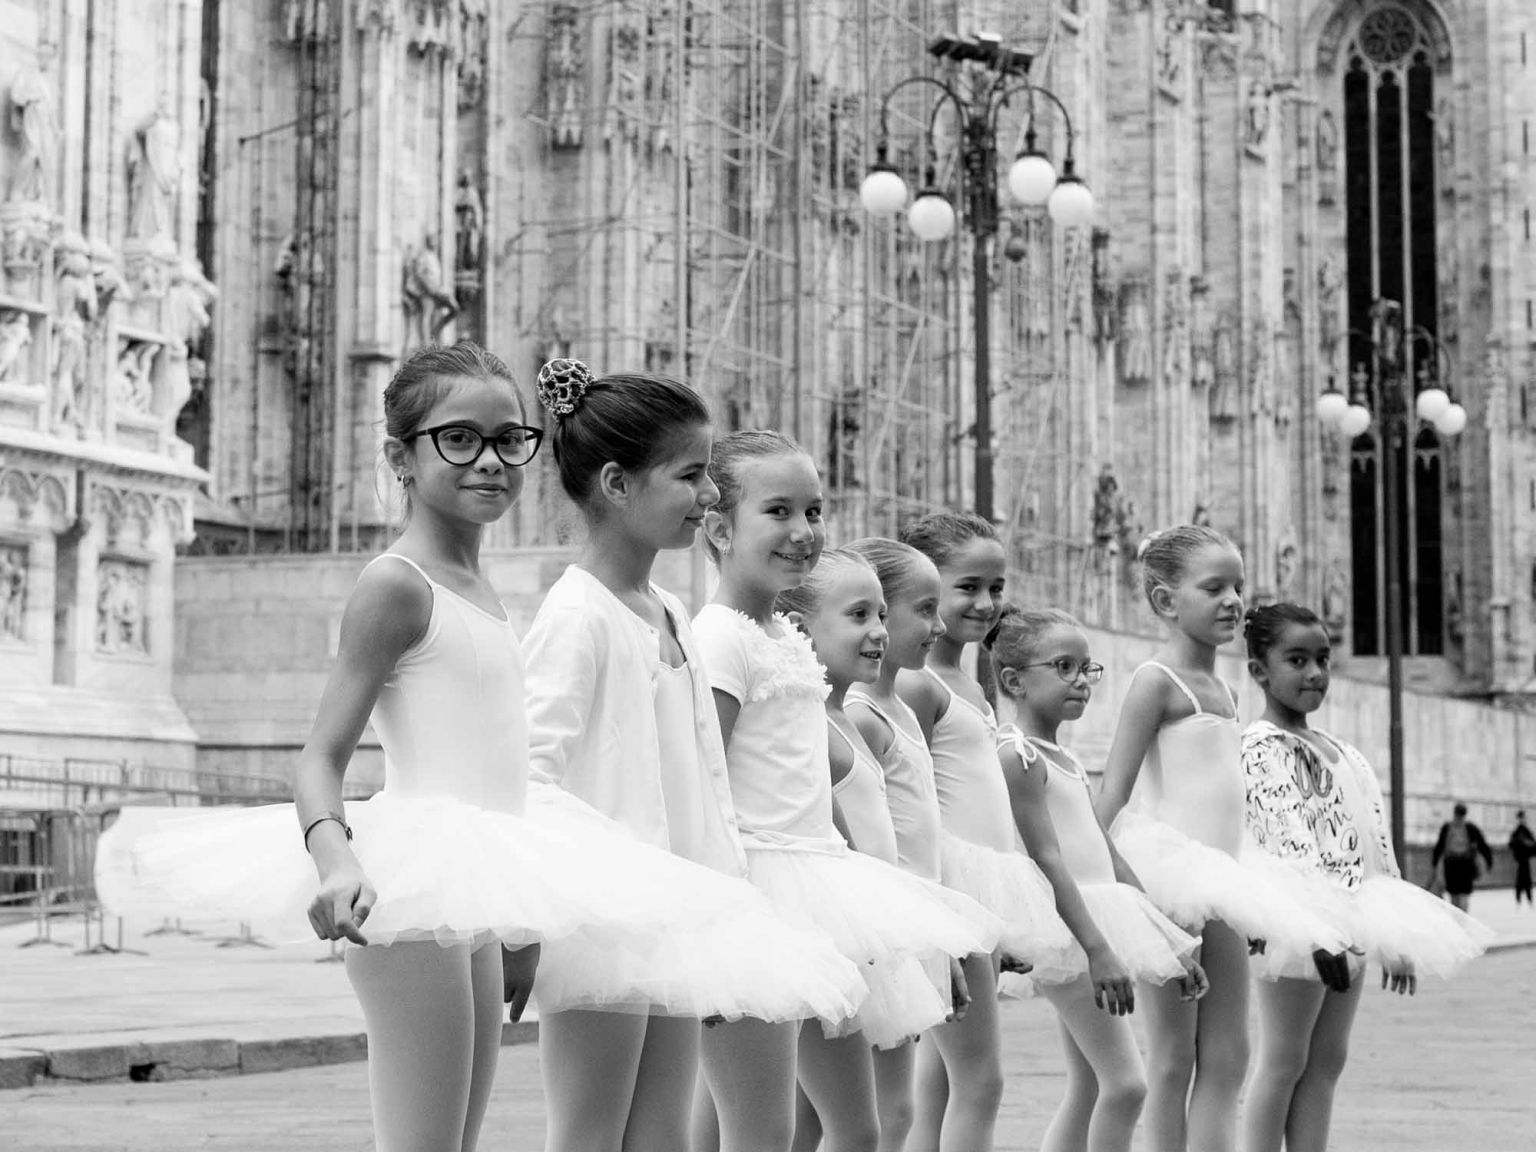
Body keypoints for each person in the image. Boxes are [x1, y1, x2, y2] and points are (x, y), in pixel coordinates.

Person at [93, 343, 790, 1152]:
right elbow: (320, 755)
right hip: (416, 893)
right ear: (401, 457)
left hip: (478, 890)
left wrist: (523, 918)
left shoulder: (482, 591)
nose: (490, 461)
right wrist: (337, 861)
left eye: (508, 440)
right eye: (459, 440)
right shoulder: (397, 584)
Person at [520, 362, 867, 1152]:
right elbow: (533, 775)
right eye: (689, 475)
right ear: (616, 483)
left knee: (662, 1138)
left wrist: (726, 917)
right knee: (587, 1135)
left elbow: (707, 782)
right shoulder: (578, 614)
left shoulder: (669, 610)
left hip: (677, 920)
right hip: (604, 920)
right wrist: (526, 927)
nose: (709, 493)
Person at [693, 433, 998, 1152]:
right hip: (757, 898)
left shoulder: (783, 638)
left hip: (818, 891)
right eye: (778, 511)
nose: (803, 530)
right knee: (760, 1131)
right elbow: (704, 785)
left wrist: (895, 929)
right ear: (718, 527)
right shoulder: (721, 639)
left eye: (814, 510)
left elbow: (818, 795)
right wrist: (716, 931)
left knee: (857, 1128)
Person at [1094, 525, 1347, 1152]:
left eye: (1237, 586)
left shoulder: (1229, 692)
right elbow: (1111, 798)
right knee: (1173, 1059)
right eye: (1214, 588)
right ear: (1166, 600)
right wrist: (1127, 899)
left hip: (1225, 882)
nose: (1234, 600)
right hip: (1168, 884)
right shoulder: (1156, 681)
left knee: (1230, 1055)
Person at [1240, 602, 1492, 1152]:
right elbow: (1285, 839)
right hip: (1300, 924)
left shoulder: (1344, 751)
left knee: (1328, 1058)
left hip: (1353, 917)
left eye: (1323, 659)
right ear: (1259, 670)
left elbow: (1375, 844)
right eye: (1296, 660)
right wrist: (1315, 929)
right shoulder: (1260, 747)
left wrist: (1393, 934)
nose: (1315, 673)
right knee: (1283, 1058)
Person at [786, 548, 993, 1152]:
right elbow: (840, 851)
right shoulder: (826, 722)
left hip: (882, 936)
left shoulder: (846, 720)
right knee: (857, 1121)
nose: (878, 630)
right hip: (845, 940)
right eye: (860, 615)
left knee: (874, 1117)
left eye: (881, 614)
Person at [988, 605, 1206, 1152]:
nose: (1081, 680)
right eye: (1064, 667)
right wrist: (1097, 950)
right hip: (1072, 930)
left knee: (1090, 1084)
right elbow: (1048, 860)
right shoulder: (1018, 756)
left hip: (1099, 921)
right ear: (1014, 680)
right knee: (1126, 1086)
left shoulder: (1062, 756)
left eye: (1087, 668)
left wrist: (1167, 941)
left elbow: (1107, 853)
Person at [897, 513, 1073, 1152]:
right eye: (967, 587)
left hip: (982, 891)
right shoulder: (918, 684)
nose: (986, 602)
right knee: (980, 1081)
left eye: (996, 587)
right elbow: (913, 804)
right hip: (953, 891)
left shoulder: (970, 680)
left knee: (943, 1078)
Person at [845, 537, 972, 1152]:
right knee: (878, 1113)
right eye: (924, 609)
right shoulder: (862, 713)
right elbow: (868, 844)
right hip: (882, 934)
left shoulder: (896, 705)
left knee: (891, 1111)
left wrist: (937, 948)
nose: (939, 626)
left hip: (912, 929)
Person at [1432, 803, 1493, 912]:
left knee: (1459, 895)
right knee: (1458, 895)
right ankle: (1461, 917)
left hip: (1459, 864)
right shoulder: (1461, 828)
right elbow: (1483, 845)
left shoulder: (1462, 828)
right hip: (1457, 864)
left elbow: (1439, 847)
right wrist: (1489, 861)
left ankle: (1460, 917)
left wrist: (1435, 864)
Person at [1510, 811, 1535, 907]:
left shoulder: (1526, 831)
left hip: (1525, 858)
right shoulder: (1517, 832)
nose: (1523, 820)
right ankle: (1519, 899)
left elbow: (1533, 843)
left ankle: (1528, 899)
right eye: (1521, 818)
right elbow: (1512, 844)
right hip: (1521, 859)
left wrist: (1528, 844)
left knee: (1526, 879)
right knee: (1521, 880)